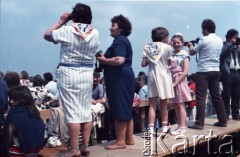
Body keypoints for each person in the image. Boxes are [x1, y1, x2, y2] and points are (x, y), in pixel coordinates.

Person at [44, 2, 99, 157]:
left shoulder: (66, 30)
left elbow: (47, 35)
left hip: (69, 73)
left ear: (73, 16)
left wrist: (61, 21)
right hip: (87, 73)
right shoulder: (95, 33)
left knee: (72, 112)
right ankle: (85, 146)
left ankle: (74, 149)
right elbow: (88, 27)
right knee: (85, 111)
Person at [96, 14, 135, 150]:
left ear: (121, 28)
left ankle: (120, 141)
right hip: (124, 78)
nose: (110, 28)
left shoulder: (119, 41)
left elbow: (119, 60)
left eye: (113, 26)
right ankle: (129, 139)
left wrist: (104, 61)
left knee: (119, 108)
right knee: (126, 109)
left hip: (120, 79)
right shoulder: (123, 40)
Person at [187, 19, 227, 129]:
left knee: (200, 97)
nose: (201, 32)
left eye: (202, 29)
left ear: (205, 28)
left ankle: (199, 123)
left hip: (203, 71)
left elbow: (192, 52)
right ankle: (223, 120)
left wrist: (190, 45)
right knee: (216, 96)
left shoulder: (203, 39)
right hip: (215, 70)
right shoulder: (219, 40)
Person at [141, 27, 175, 135]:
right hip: (164, 75)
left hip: (152, 74)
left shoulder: (147, 47)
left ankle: (150, 129)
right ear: (164, 37)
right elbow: (170, 64)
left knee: (152, 104)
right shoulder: (168, 47)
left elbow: (143, 64)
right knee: (164, 103)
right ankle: (164, 128)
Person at [2, 86, 45, 156]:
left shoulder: (13, 115)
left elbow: (7, 139)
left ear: (22, 99)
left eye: (14, 99)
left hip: (20, 152)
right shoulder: (34, 111)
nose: (11, 101)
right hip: (36, 150)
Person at [168, 34, 192, 135]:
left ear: (182, 43)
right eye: (174, 42)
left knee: (180, 104)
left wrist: (176, 82)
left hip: (180, 80)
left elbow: (185, 71)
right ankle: (179, 125)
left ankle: (182, 126)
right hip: (172, 79)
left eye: (178, 42)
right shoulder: (171, 53)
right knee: (176, 104)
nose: (176, 44)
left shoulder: (184, 54)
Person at [220, 29, 240, 121]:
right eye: (234, 37)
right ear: (229, 38)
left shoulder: (238, 47)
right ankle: (226, 114)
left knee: (236, 94)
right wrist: (230, 43)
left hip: (237, 72)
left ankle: (236, 114)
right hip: (228, 72)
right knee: (226, 94)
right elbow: (221, 53)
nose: (236, 39)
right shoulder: (224, 45)